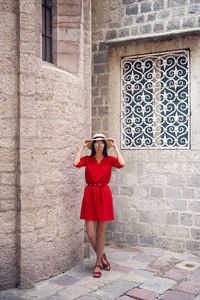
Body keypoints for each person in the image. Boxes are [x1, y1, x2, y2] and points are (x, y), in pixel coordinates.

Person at [73, 133, 125, 278]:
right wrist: (82, 147)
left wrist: (115, 146)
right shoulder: (87, 159)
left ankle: (97, 264)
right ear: (93, 146)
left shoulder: (109, 159)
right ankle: (102, 257)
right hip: (90, 194)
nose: (99, 147)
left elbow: (122, 163)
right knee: (90, 233)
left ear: (105, 146)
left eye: (102, 144)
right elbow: (75, 163)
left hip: (103, 195)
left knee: (100, 232)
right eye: (96, 144)